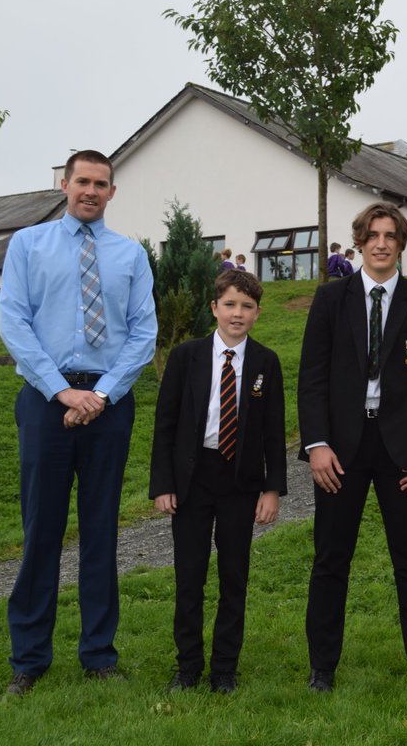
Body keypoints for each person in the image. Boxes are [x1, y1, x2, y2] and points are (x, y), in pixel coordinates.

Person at [0, 150, 157, 696]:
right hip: (46, 400)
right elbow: (14, 323)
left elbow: (143, 334)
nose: (91, 190)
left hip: (109, 405)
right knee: (41, 529)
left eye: (101, 183)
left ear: (113, 192)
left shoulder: (131, 255)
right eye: (82, 181)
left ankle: (98, 654)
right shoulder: (27, 245)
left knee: (101, 529)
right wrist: (62, 391)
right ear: (64, 185)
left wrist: (101, 395)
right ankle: (29, 658)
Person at [298, 201, 407, 694]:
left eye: (390, 236)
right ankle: (322, 668)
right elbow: (312, 377)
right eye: (373, 235)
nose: (381, 244)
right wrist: (316, 444)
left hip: (403, 452)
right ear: (360, 242)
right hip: (340, 449)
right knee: (330, 560)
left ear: (402, 244)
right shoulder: (330, 299)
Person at [149, 269, 286, 694]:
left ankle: (224, 668)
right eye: (229, 305)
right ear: (214, 308)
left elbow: (274, 431)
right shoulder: (186, 357)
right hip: (192, 479)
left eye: (247, 306)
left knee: (234, 575)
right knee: (189, 575)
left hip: (239, 481)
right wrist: (163, 484)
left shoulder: (265, 362)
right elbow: (165, 424)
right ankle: (188, 666)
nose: (237, 313)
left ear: (257, 312)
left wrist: (271, 488)